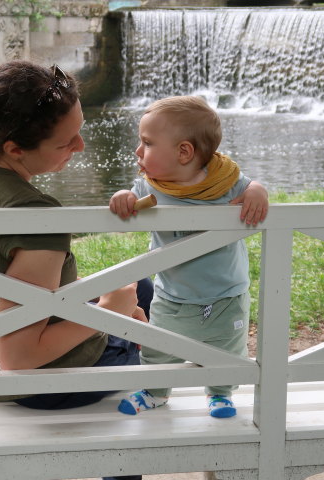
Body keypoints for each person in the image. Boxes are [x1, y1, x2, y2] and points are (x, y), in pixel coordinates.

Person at [0, 61, 152, 450]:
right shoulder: (35, 217)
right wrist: (109, 313)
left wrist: (99, 299)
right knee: (163, 338)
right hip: (46, 386)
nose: (80, 147)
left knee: (139, 287)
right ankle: (125, 456)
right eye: (67, 142)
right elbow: (17, 359)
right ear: (14, 148)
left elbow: (5, 290)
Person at [109, 95, 269, 419]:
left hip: (227, 294)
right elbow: (128, 201)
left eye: (147, 143)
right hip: (173, 295)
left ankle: (220, 393)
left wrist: (257, 191)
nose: (138, 152)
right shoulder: (148, 187)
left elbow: (251, 185)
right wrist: (123, 198)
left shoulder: (225, 182)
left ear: (184, 152)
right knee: (158, 348)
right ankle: (155, 392)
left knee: (227, 350)